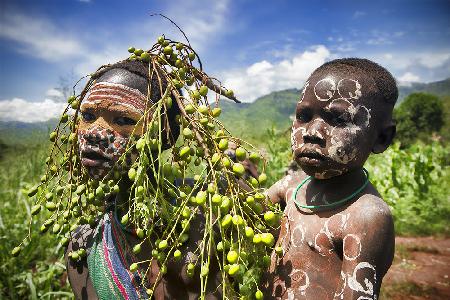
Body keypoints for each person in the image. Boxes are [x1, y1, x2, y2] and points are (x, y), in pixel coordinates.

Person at [65, 59, 224, 299]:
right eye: (87, 116)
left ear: (167, 135)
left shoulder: (214, 204)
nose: (94, 134)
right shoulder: (84, 245)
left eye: (124, 120)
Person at [263, 58, 397, 299]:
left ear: (382, 138)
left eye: (337, 119)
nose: (312, 133)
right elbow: (240, 214)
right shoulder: (290, 187)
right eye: (303, 116)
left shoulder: (365, 216)